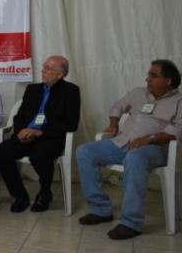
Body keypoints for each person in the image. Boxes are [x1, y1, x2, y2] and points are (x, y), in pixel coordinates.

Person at [76, 59, 182, 240]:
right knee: (85, 151)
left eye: (153, 76)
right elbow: (117, 106)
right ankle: (100, 209)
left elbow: (178, 130)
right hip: (122, 142)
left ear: (168, 80)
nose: (147, 79)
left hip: (155, 149)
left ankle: (131, 223)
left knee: (134, 158)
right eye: (148, 75)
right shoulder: (138, 93)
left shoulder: (179, 101)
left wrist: (149, 138)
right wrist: (113, 123)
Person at [0, 55, 80, 213]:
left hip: (50, 138)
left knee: (39, 155)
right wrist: (20, 131)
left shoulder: (71, 91)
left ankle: (45, 194)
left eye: (48, 68)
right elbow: (20, 116)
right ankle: (20, 196)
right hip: (26, 135)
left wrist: (40, 131)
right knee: (0, 152)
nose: (43, 71)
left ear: (61, 74)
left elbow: (71, 123)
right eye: (44, 67)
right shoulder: (33, 89)